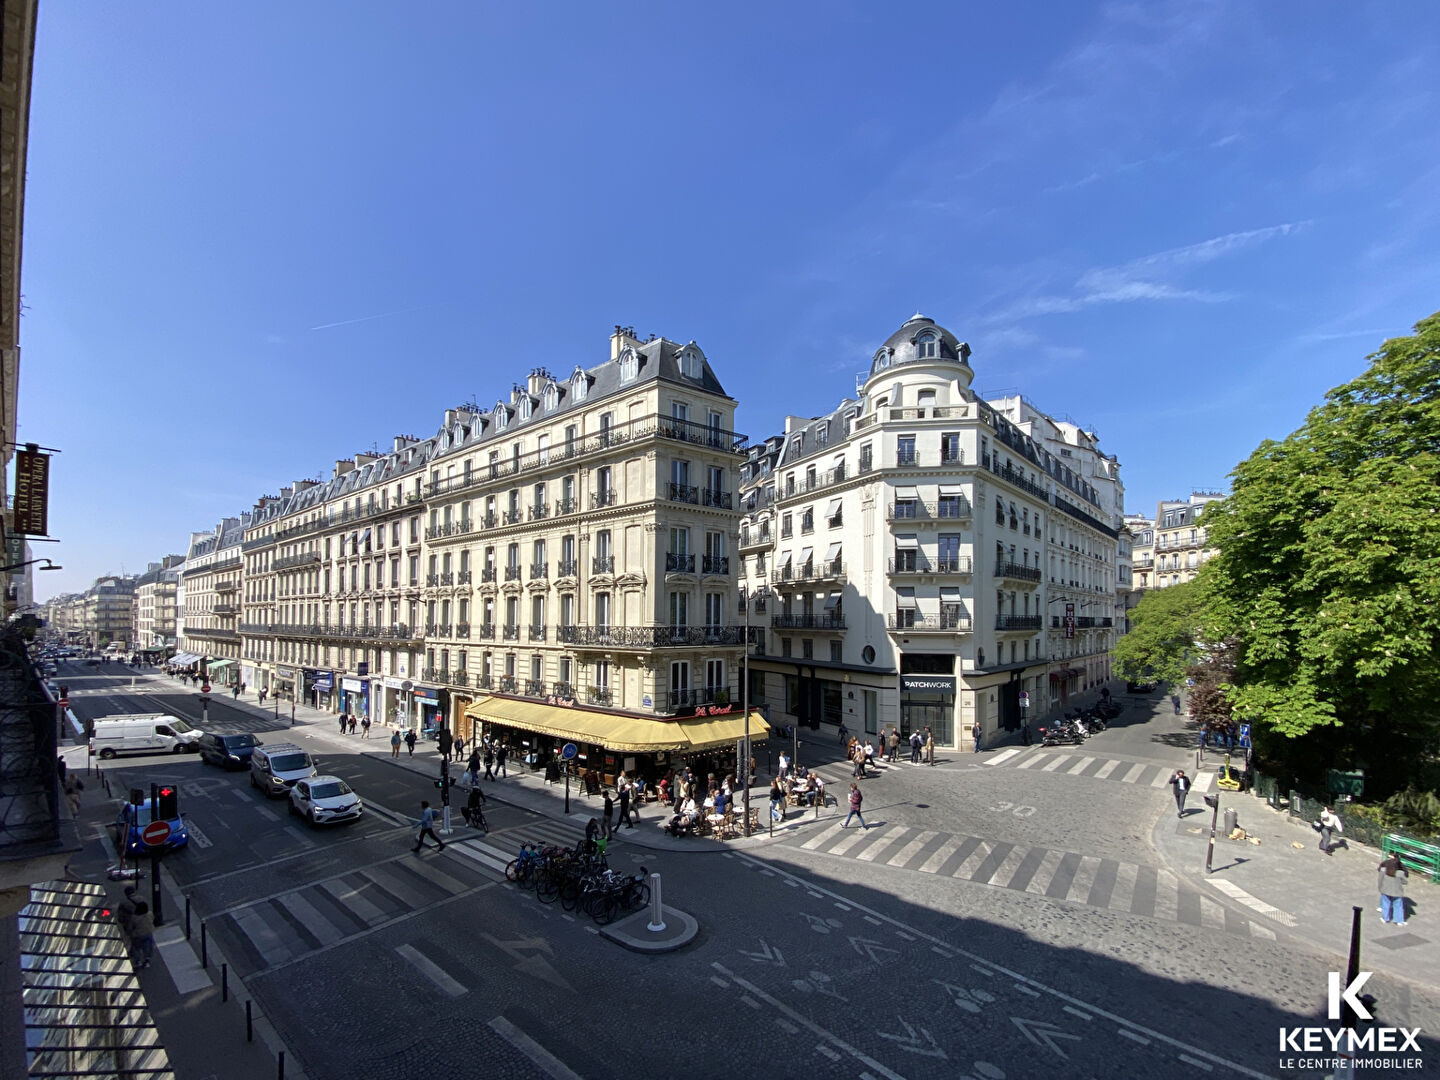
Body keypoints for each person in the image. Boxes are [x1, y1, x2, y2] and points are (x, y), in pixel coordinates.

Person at [1378, 854, 1408, 925]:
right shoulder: (1400, 873)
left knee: (1386, 904)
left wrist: (1380, 888)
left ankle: (1385, 918)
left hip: (1385, 890)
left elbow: (1380, 880)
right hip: (1397, 892)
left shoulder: (1383, 870)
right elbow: (1405, 882)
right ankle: (1399, 921)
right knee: (1398, 906)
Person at [129, 900, 156, 969]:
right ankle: (147, 960)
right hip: (148, 932)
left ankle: (138, 961)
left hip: (138, 935)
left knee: (136, 948)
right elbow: (152, 919)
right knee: (148, 947)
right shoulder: (149, 913)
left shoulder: (134, 917)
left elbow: (131, 926)